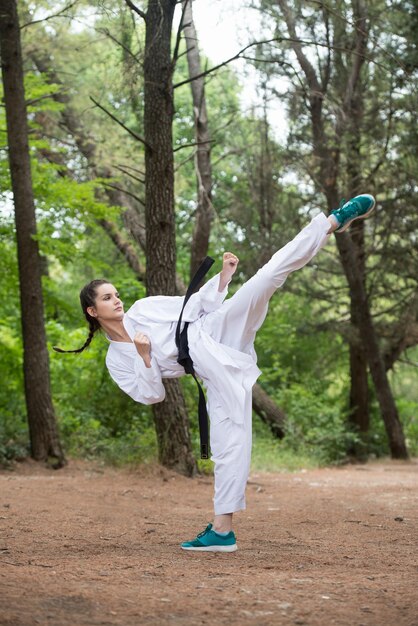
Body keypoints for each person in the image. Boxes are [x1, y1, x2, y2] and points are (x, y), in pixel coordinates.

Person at [55, 194, 376, 552]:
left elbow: (190, 306)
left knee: (268, 275)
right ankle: (223, 532)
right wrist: (145, 358)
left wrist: (223, 278)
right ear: (92, 311)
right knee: (230, 441)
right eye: (106, 298)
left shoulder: (143, 309)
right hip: (210, 369)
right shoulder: (117, 359)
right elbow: (152, 395)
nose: (117, 300)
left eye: (115, 294)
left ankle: (332, 222)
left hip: (215, 329)